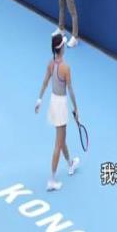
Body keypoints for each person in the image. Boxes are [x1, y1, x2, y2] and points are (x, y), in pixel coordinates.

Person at [35, 34, 80, 191]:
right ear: (61, 48)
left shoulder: (50, 64)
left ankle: (70, 163)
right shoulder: (65, 68)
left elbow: (45, 82)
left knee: (61, 139)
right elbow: (70, 90)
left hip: (53, 103)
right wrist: (76, 108)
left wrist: (39, 100)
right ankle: (52, 180)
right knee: (58, 144)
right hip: (60, 105)